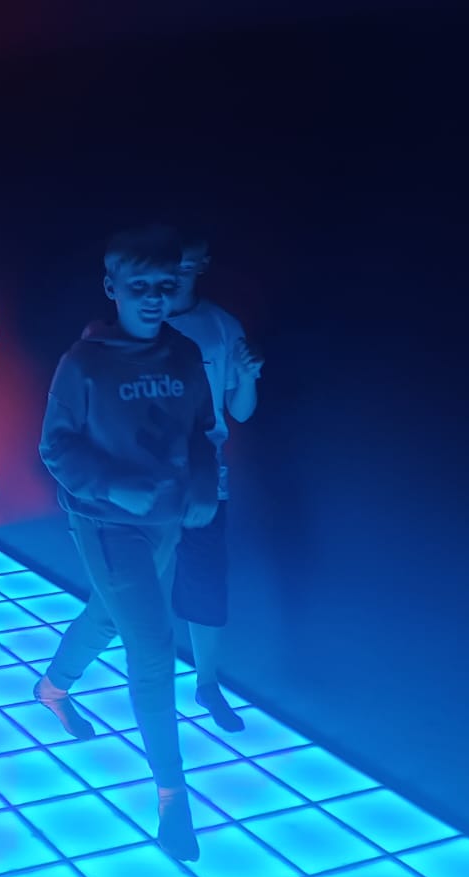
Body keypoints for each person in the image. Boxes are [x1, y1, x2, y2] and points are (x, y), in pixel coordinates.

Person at [32, 225, 219, 862]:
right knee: (154, 646)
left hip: (165, 520)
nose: (154, 297)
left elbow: (202, 430)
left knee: (110, 616)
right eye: (140, 285)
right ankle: (173, 798)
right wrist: (114, 485)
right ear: (112, 287)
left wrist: (202, 482)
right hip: (104, 522)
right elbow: (55, 446)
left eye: (166, 284)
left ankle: (53, 687)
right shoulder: (84, 364)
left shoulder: (184, 353)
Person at [165, 231, 263, 732]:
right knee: (133, 581)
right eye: (174, 260)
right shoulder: (140, 319)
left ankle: (207, 684)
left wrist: (247, 377)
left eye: (191, 261)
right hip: (143, 476)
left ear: (203, 264)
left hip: (205, 479)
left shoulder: (222, 326)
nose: (182, 269)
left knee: (204, 580)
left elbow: (239, 411)